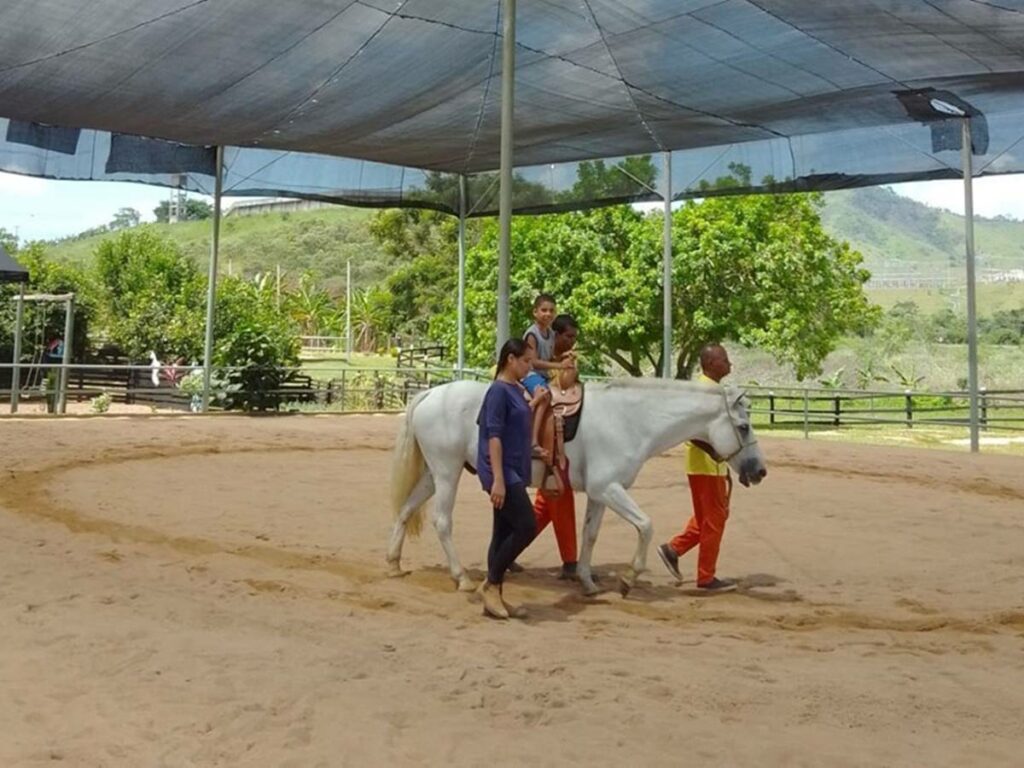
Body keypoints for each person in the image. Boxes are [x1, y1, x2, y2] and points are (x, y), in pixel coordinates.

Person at [657, 343, 738, 593]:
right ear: (712, 364)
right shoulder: (705, 392)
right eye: (724, 359)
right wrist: (713, 451)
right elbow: (688, 429)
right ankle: (706, 576)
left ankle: (674, 548)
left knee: (709, 517)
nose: (729, 363)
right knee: (714, 519)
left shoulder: (712, 390)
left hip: (707, 466)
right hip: (705, 466)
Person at [476, 338, 538, 619]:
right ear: (510, 359)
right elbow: (493, 435)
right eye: (525, 361)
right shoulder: (499, 391)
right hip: (502, 470)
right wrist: (498, 479)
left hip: (514, 466)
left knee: (502, 531)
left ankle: (495, 595)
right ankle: (491, 582)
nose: (529, 366)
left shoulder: (516, 388)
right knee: (527, 525)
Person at [531, 314, 581, 579]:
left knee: (543, 506)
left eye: (574, 337)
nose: (572, 342)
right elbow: (563, 383)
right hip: (554, 435)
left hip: (561, 438)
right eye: (568, 337)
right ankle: (571, 561)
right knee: (559, 498)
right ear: (558, 335)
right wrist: (566, 366)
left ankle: (508, 548)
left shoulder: (560, 357)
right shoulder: (545, 352)